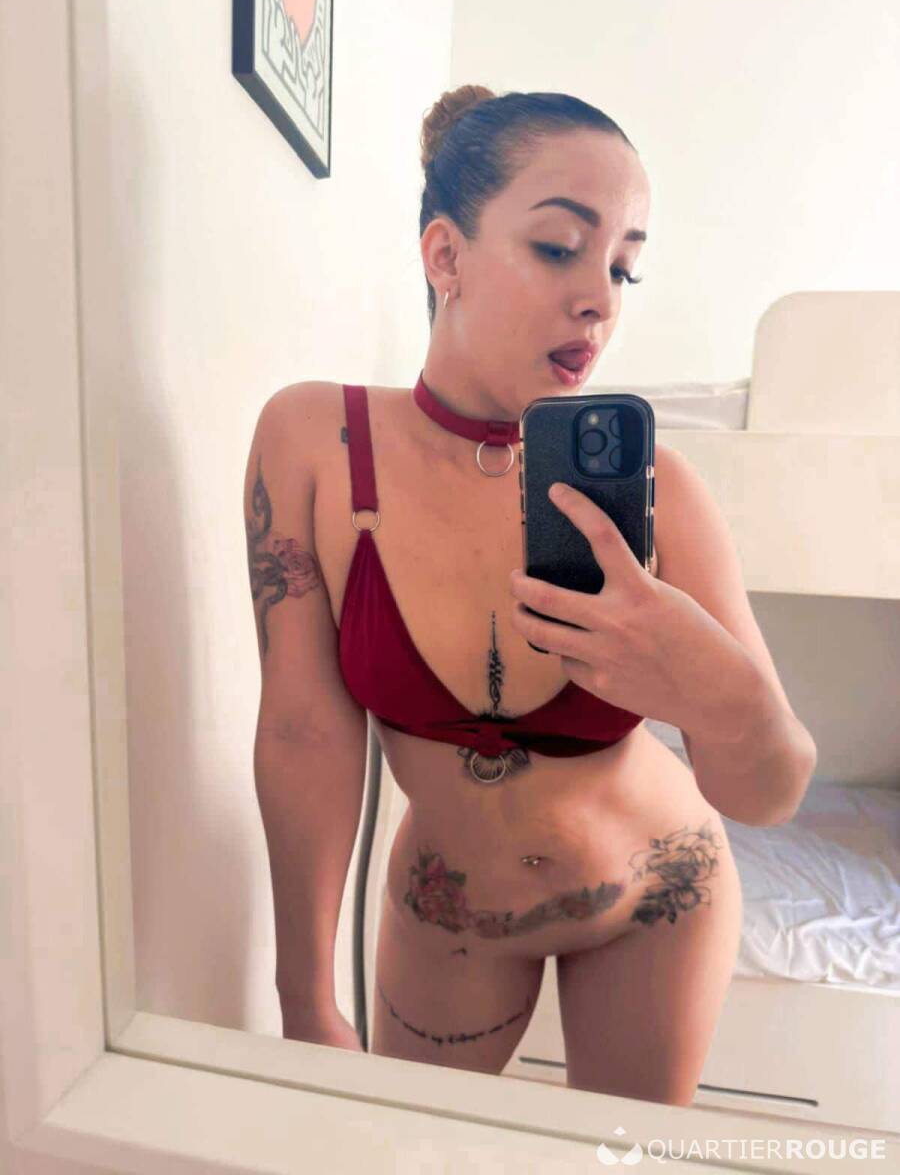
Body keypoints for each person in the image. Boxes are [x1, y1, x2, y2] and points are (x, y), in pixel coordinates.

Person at [244, 86, 815, 1106]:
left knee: (615, 1165)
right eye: (560, 248)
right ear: (445, 256)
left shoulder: (662, 490)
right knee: (417, 1158)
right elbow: (301, 731)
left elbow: (771, 792)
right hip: (453, 917)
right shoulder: (314, 444)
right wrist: (304, 994)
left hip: (660, 900)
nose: (602, 298)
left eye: (623, 266)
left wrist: (715, 689)